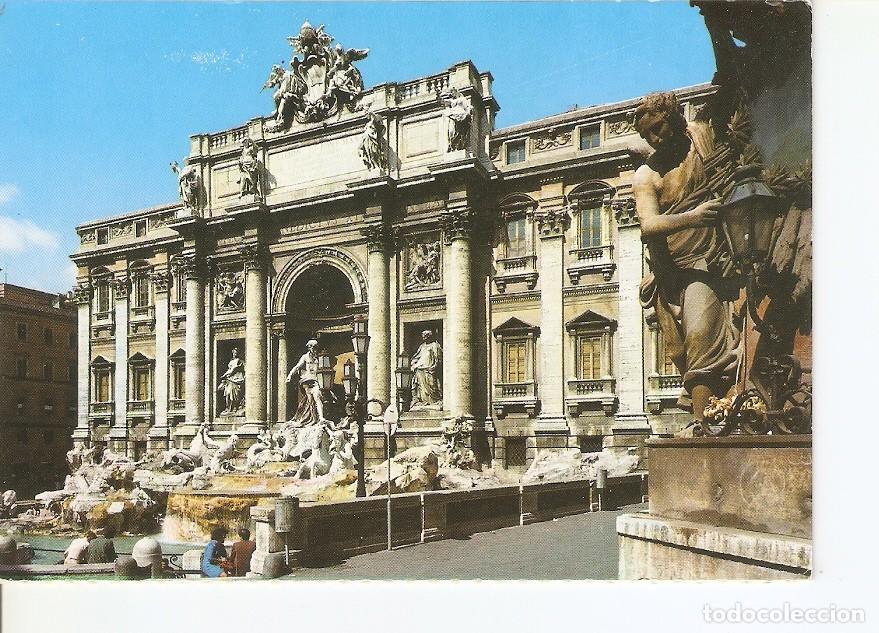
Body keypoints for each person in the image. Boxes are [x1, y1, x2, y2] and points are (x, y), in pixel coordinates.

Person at [631, 91, 741, 430]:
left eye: (660, 127)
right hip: (677, 269)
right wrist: (693, 216)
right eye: (647, 134)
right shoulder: (646, 175)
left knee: (699, 336)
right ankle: (708, 421)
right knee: (686, 347)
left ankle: (706, 423)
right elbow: (648, 224)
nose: (655, 137)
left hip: (718, 258)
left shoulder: (703, 137)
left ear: (677, 117)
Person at [287, 339, 328, 426]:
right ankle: (313, 418)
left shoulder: (320, 357)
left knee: (317, 396)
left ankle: (321, 417)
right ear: (308, 347)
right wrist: (290, 375)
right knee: (310, 401)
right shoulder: (305, 357)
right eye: (311, 346)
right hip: (307, 380)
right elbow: (297, 366)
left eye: (315, 347)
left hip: (317, 380)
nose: (313, 348)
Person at [411, 330, 443, 409]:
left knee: (432, 385)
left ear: (429, 336)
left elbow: (438, 357)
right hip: (420, 368)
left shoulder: (435, 345)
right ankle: (422, 401)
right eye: (423, 336)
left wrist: (434, 366)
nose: (424, 337)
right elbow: (417, 356)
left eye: (425, 336)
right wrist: (413, 363)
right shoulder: (422, 346)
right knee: (420, 386)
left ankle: (434, 401)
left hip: (430, 369)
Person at [218, 348, 245, 413]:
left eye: (236, 353)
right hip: (229, 379)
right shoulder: (231, 361)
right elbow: (229, 369)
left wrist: (225, 375)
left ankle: (235, 407)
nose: (234, 354)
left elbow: (233, 369)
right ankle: (228, 408)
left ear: (238, 354)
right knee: (227, 394)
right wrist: (225, 375)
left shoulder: (238, 361)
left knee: (233, 394)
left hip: (235, 379)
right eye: (233, 353)